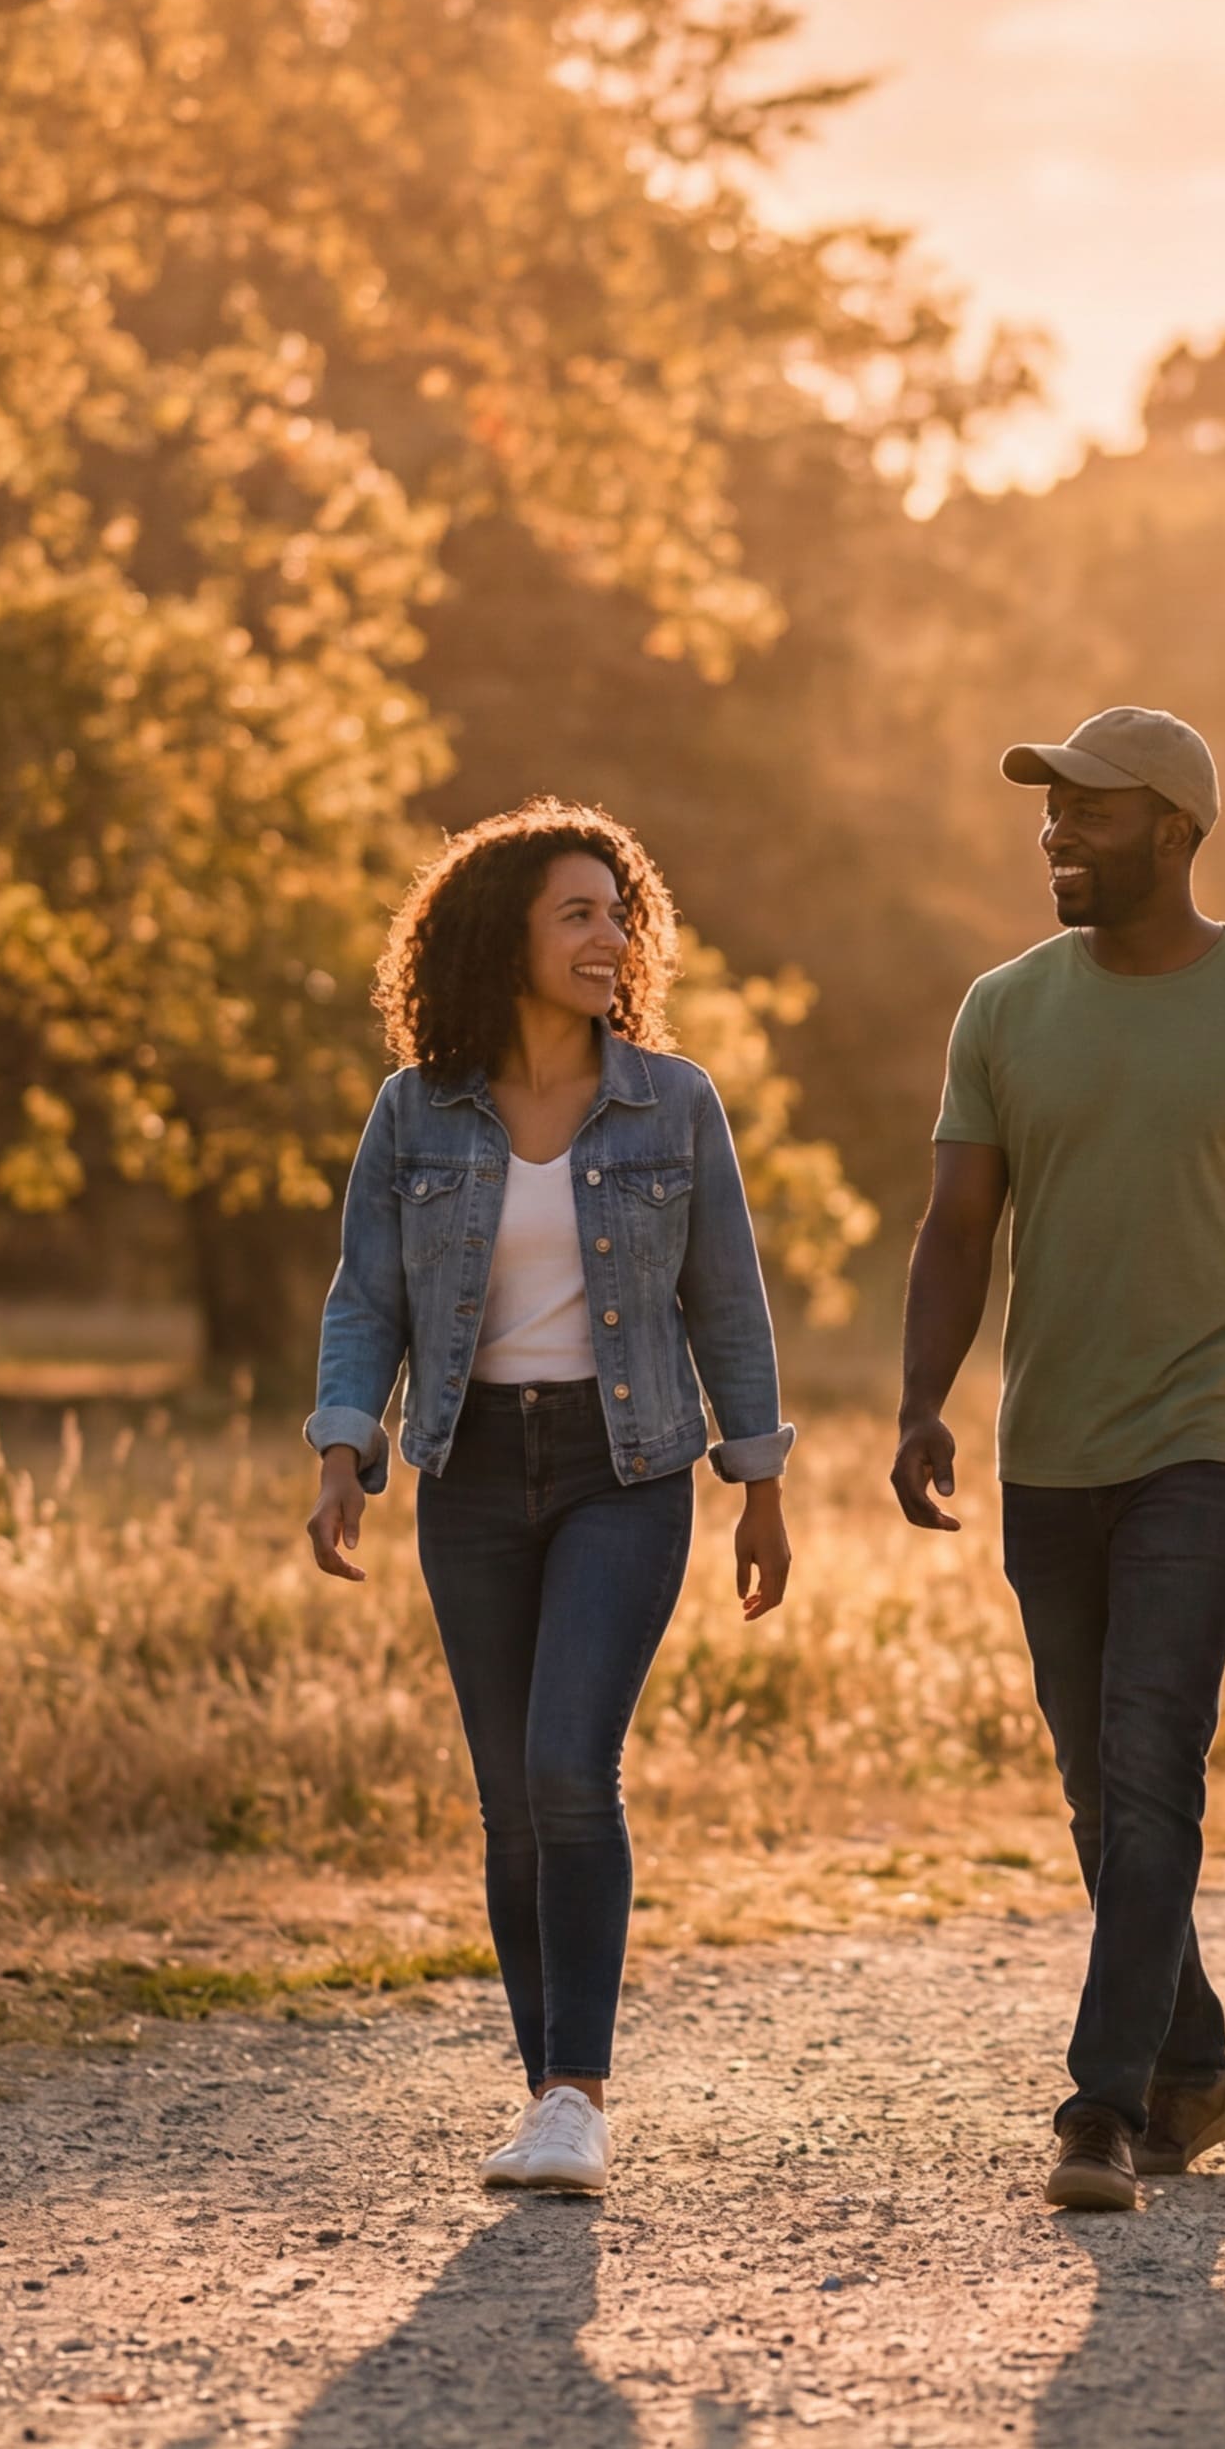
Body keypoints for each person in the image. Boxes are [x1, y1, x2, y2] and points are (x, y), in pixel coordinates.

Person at [893, 705, 1225, 2214]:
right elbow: (957, 1227)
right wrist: (920, 1404)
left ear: (1175, 829)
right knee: (1104, 1791)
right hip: (1052, 1453)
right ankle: (1195, 2066)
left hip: (1205, 1447)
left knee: (1153, 1761)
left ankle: (1098, 2113)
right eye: (1050, 813)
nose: (1057, 836)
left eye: (1089, 813)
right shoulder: (1005, 1008)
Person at [308, 802, 795, 2200]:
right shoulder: (418, 1110)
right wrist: (345, 1446)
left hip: (623, 1470)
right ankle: (544, 2094)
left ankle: (579, 2096)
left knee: (573, 1769)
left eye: (617, 913)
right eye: (577, 912)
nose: (609, 937)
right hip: (467, 1473)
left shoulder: (673, 1100)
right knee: (510, 1803)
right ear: (501, 935)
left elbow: (729, 1304)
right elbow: (369, 1298)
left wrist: (758, 1484)